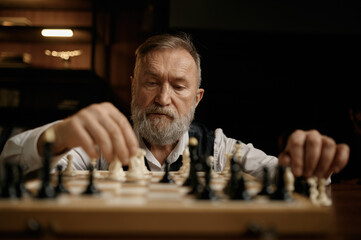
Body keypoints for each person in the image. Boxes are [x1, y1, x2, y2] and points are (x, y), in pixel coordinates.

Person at [0, 32, 350, 182]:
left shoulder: (222, 149)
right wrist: (60, 133)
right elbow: (9, 161)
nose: (163, 99)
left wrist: (309, 163)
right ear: (134, 87)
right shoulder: (95, 146)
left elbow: (288, 177)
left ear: (197, 98)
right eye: (151, 83)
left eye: (179, 86)